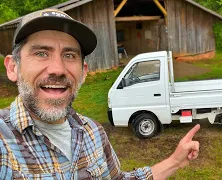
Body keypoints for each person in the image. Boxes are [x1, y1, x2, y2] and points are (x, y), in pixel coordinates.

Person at [0, 9, 200, 179]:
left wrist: (175, 161)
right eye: (41, 53)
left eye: (69, 55)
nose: (58, 69)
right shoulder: (4, 143)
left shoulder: (93, 132)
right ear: (13, 67)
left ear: (83, 72)